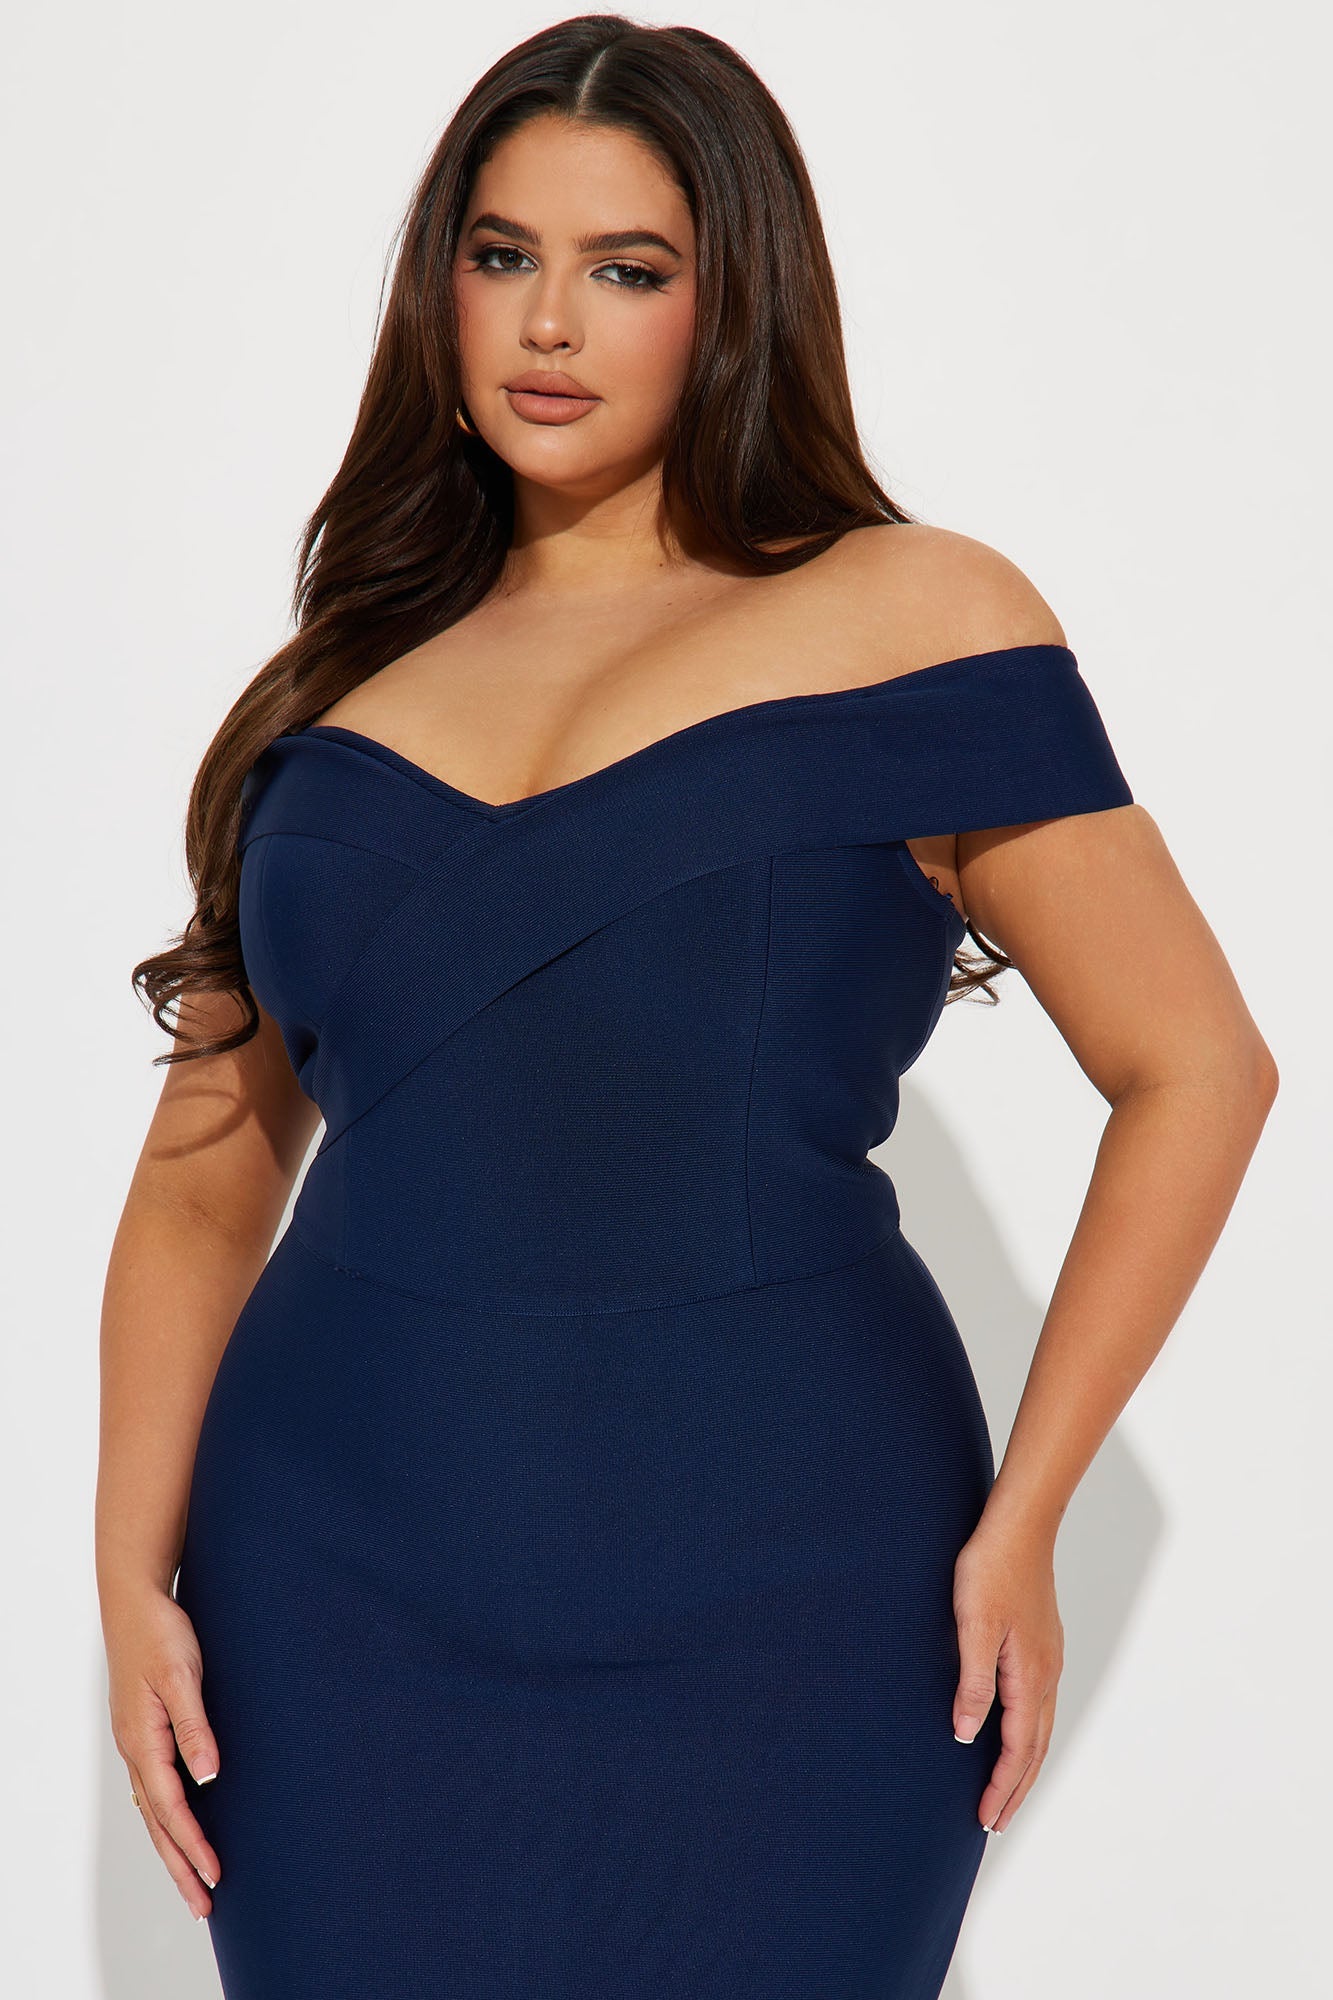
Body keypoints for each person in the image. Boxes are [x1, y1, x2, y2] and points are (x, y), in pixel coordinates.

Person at [97, 15, 1278, 1998]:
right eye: (501, 255)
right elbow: (204, 1178)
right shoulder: (338, 682)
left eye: (627, 268)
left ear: (735, 303)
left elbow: (1198, 1067)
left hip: (797, 1579)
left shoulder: (915, 613)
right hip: (331, 1584)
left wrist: (1026, 1518)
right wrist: (128, 1574)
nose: (548, 321)